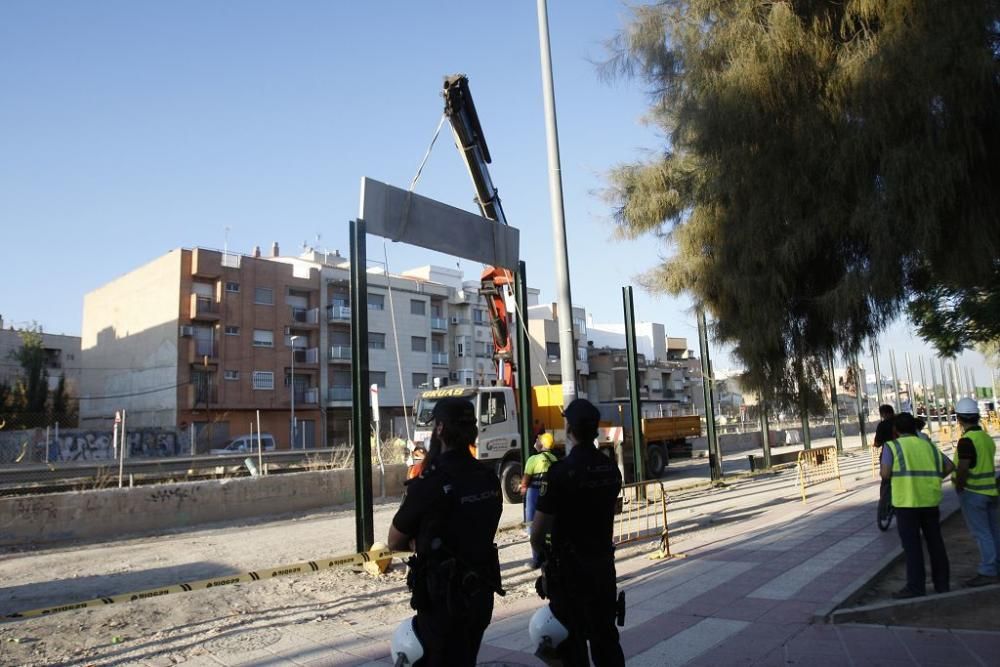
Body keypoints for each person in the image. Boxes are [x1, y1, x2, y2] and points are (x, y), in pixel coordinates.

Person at [388, 397, 503, 666]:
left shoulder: (430, 482)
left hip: (444, 601)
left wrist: (421, 542)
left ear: (439, 430)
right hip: (480, 595)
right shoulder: (487, 477)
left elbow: (394, 540)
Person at [530, 399, 625, 666]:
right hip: (603, 568)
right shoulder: (610, 470)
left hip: (570, 575)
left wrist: (540, 556)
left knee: (572, 647)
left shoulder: (559, 473)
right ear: (595, 429)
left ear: (569, 427)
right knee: (606, 640)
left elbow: (538, 534)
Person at [880, 412, 955, 598]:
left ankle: (916, 587)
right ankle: (942, 584)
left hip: (906, 503)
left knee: (912, 547)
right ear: (914, 428)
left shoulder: (892, 446)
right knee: (935, 543)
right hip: (930, 501)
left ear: (895, 430)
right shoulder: (927, 445)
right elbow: (949, 466)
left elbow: (885, 474)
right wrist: (934, 478)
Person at [952, 397, 999, 587]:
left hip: (974, 492)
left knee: (982, 533)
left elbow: (963, 468)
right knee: (994, 531)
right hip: (991, 491)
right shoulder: (986, 438)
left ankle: (988, 570)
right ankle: (995, 565)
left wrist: (959, 484)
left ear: (960, 419)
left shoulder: (967, 441)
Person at [522, 432, 558, 568]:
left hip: (534, 495)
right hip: (549, 495)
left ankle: (537, 559)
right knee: (549, 527)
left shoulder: (533, 459)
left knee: (533, 526)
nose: (536, 441)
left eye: (538, 439)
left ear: (541, 444)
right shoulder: (554, 458)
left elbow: (525, 479)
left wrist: (523, 488)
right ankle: (550, 556)